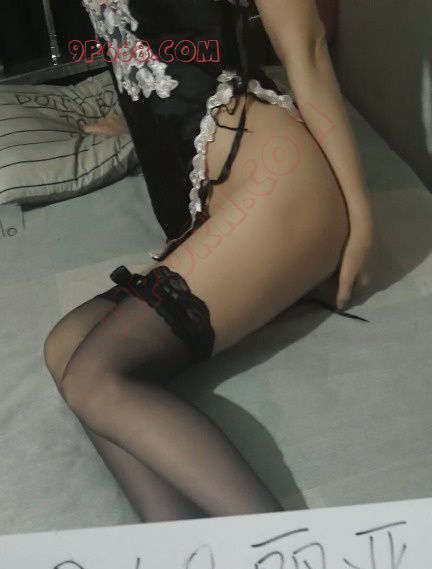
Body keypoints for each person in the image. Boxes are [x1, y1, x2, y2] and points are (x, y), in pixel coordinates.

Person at [44, 0, 374, 523]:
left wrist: (360, 219)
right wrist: (128, 118)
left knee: (93, 377)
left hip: (275, 182)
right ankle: (181, 553)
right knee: (65, 345)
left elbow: (306, 50)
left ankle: (289, 557)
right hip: (210, 201)